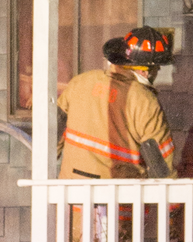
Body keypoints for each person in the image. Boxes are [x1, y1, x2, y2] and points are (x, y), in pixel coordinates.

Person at [56, 26, 180, 178]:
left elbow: (52, 139)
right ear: (144, 71)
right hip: (119, 192)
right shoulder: (145, 101)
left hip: (70, 189)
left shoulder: (80, 82)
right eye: (157, 69)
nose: (156, 74)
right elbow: (162, 169)